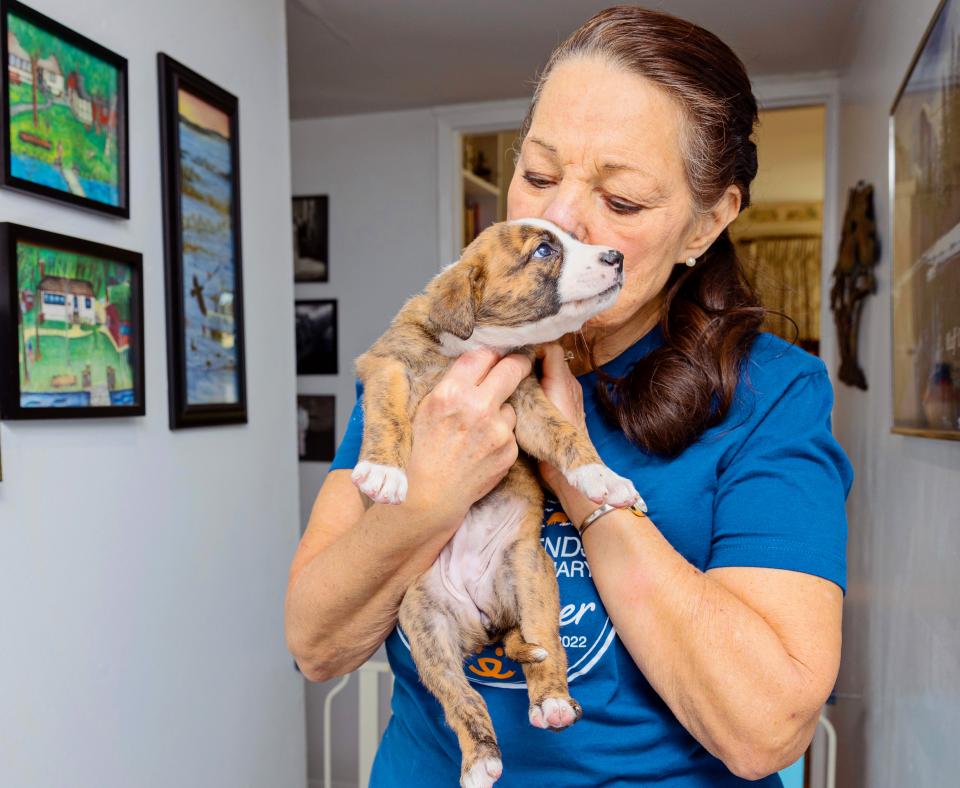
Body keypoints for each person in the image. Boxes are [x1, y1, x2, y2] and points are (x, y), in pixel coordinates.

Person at [285, 6, 853, 787]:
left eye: (620, 202)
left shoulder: (773, 393)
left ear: (706, 224)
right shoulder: (433, 362)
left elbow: (764, 731)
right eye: (539, 174)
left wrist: (572, 473)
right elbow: (316, 644)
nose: (556, 218)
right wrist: (430, 494)